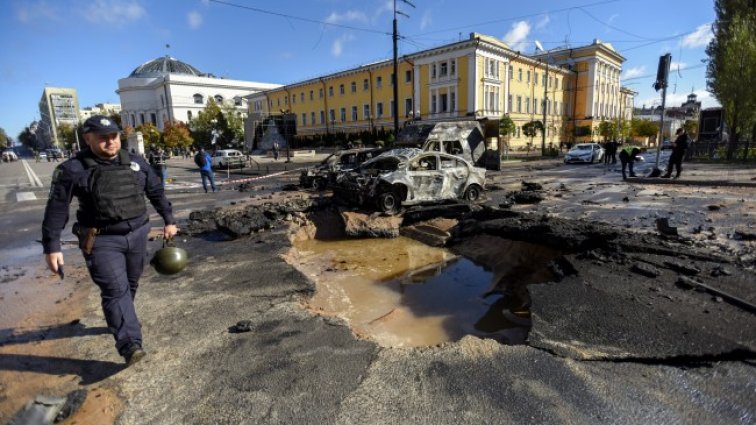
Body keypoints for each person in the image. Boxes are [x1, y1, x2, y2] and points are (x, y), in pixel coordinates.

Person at [41, 115, 177, 366]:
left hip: (138, 234)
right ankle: (130, 344)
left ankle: (121, 319)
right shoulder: (72, 169)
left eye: (113, 136)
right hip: (102, 240)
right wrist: (52, 246)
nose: (110, 142)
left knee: (130, 284)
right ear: (87, 139)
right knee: (115, 290)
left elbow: (156, 192)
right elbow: (57, 208)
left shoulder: (135, 163)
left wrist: (168, 219)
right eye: (102, 138)